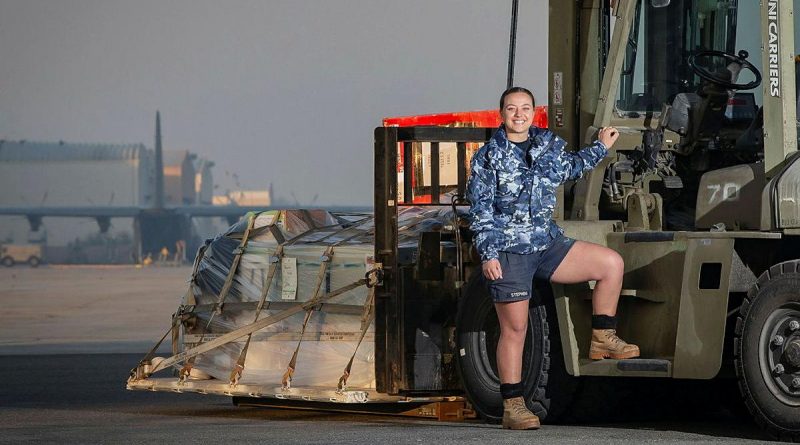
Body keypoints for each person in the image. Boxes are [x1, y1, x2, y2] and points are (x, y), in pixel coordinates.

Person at [466, 86, 640, 430]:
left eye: (525, 108)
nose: (519, 114)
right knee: (515, 330)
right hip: (509, 250)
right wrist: (488, 254)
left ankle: (602, 337)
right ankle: (513, 406)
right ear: (501, 114)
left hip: (547, 244)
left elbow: (572, 169)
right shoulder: (488, 156)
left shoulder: (549, 144)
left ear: (534, 113)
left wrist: (601, 147)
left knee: (610, 264)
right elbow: (480, 210)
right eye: (512, 109)